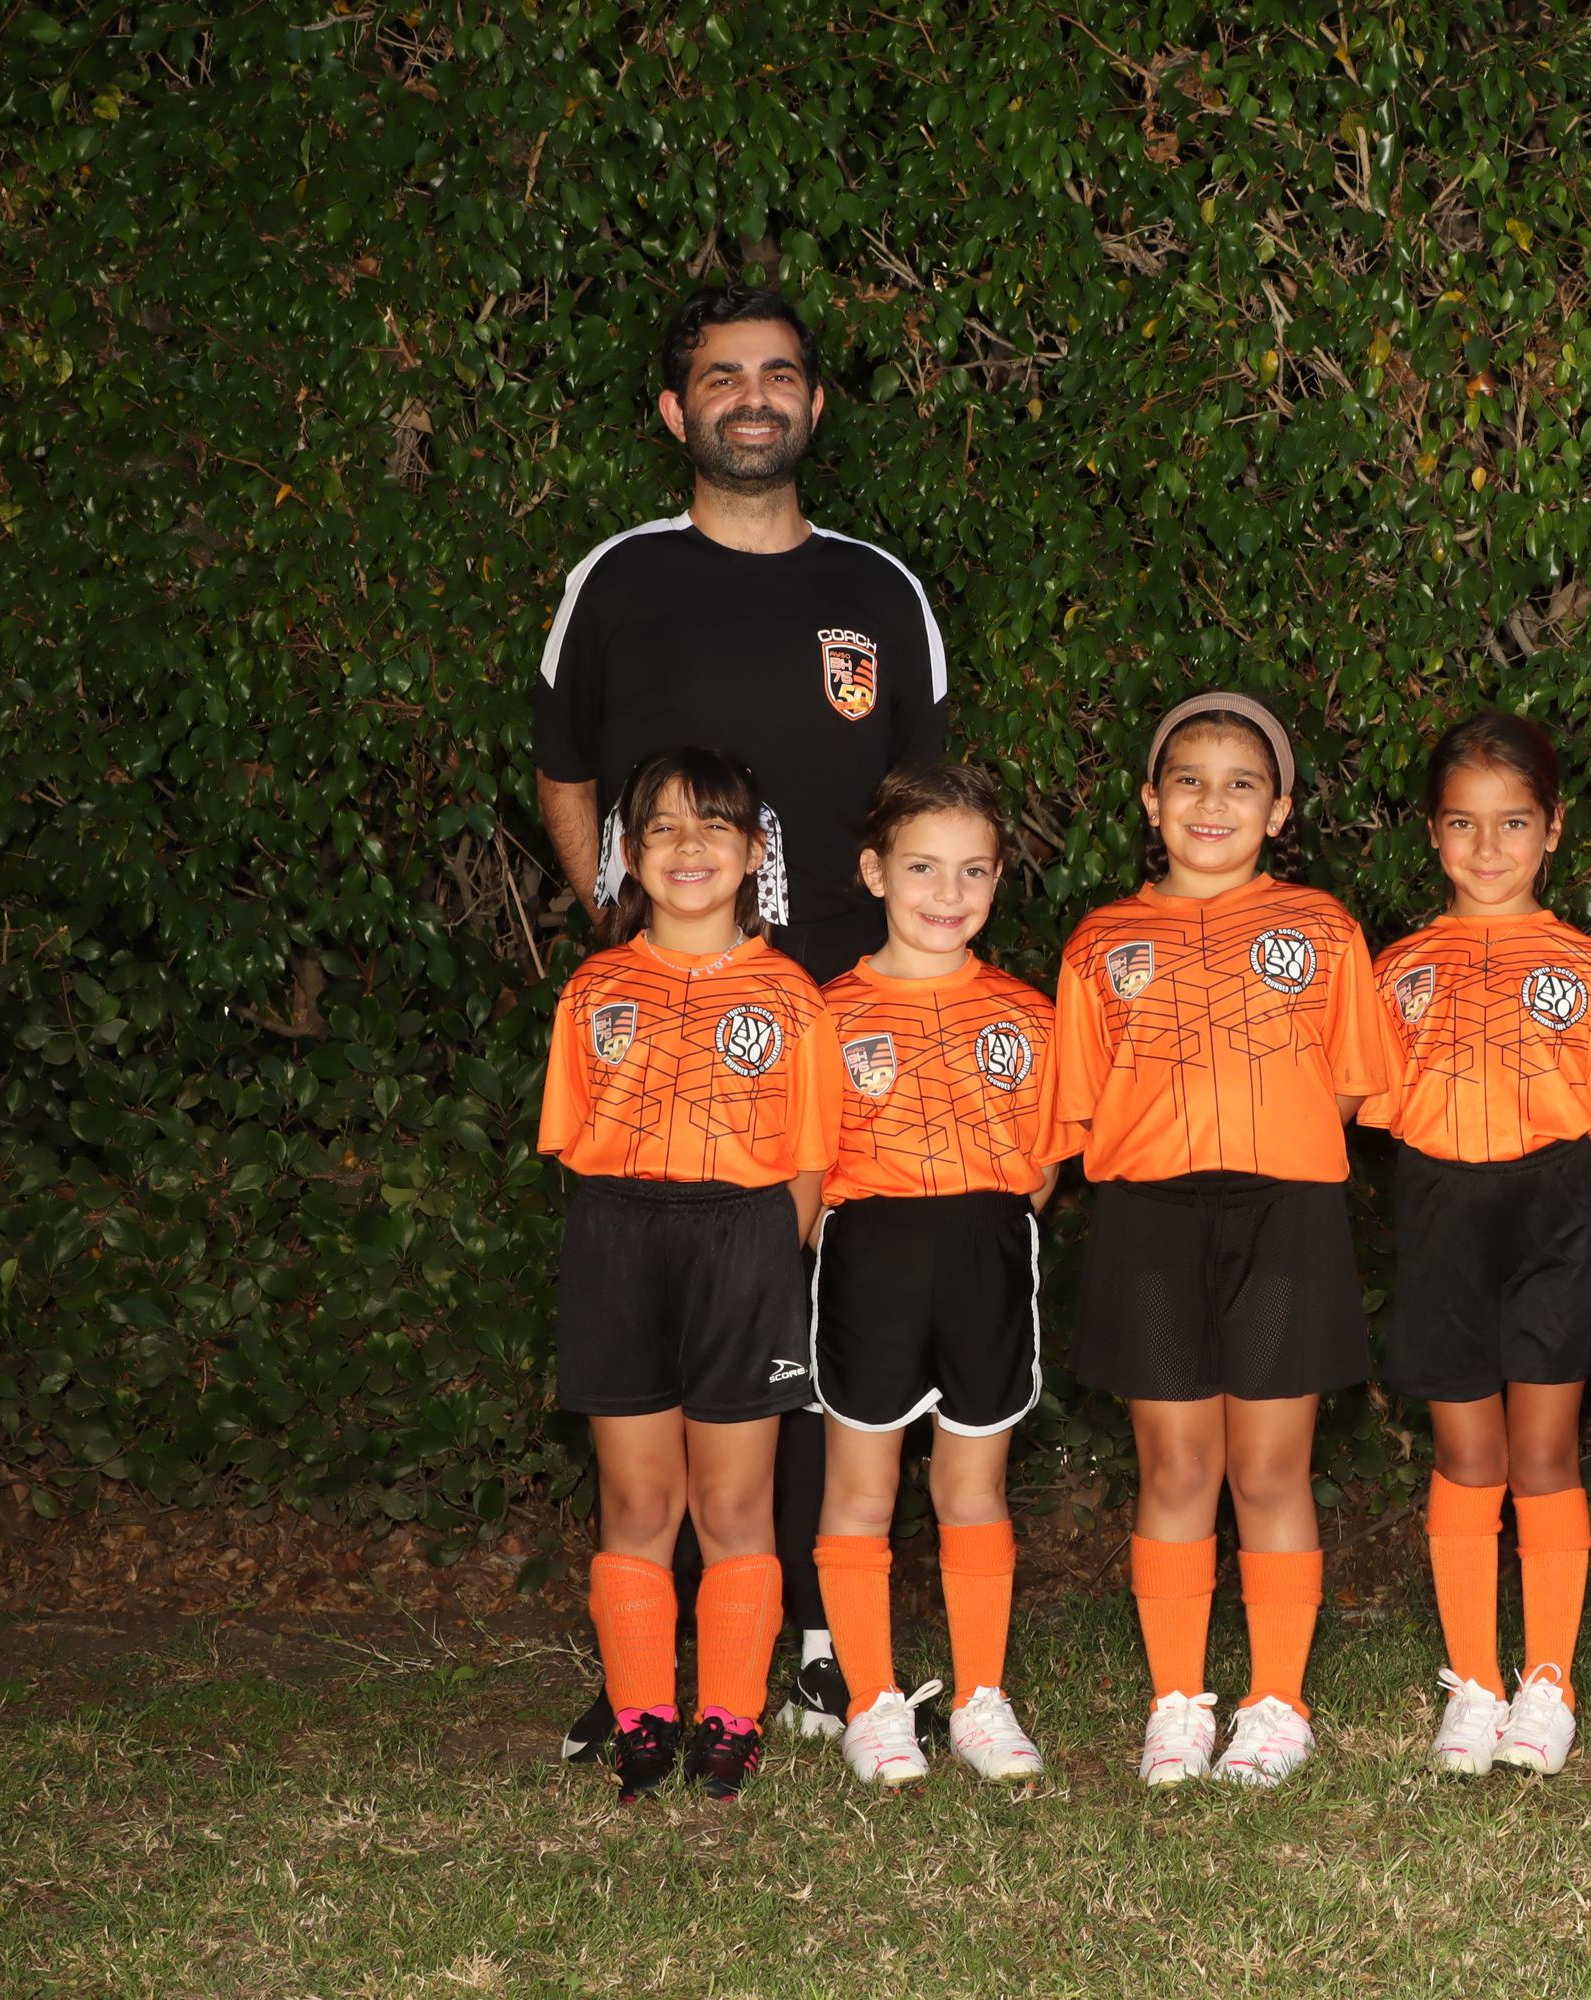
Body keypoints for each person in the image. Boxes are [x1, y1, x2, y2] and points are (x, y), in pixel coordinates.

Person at [534, 285, 950, 1756]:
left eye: (779, 374)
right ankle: (652, 1673)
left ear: (815, 405)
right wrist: (621, 927)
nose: (753, 397)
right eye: (721, 377)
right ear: (677, 411)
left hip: (844, 1000)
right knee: (673, 1325)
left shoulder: (881, 592)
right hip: (681, 1005)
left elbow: (920, 802)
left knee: (827, 1324)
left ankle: (823, 1642)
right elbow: (565, 768)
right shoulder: (621, 579)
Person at [1052, 693, 1394, 1789]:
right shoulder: (1101, 941)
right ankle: (1176, 1700)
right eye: (1189, 780)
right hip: (1149, 1215)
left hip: (1284, 1213)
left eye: (1242, 782)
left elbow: (1349, 1084)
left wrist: (1265, 1141)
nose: (1214, 800)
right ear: (1150, 802)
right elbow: (1080, 1099)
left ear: (1279, 809)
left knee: (1270, 1464)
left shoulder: (1322, 929)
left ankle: (1278, 1701)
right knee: (1176, 1462)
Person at [535, 747, 843, 1802]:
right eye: (661, 826)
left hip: (746, 1240)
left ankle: (730, 1716)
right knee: (637, 1495)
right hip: (620, 1238)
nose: (688, 844)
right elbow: (576, 1141)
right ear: (627, 853)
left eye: (714, 824)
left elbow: (810, 1163)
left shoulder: (791, 995)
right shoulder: (594, 989)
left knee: (734, 1499)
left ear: (756, 853)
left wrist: (760, 1261)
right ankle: (641, 1716)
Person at [1361, 714, 1591, 1780]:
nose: (1487, 846)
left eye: (1513, 821)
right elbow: (1376, 1109)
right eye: (1463, 823)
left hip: (1553, 1206)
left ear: (1553, 829)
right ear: (1433, 834)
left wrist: (1559, 1205)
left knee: (1545, 1452)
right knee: (1468, 1453)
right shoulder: (1397, 970)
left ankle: (1547, 1680)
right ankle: (1474, 1681)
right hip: (1441, 1208)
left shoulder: (1590, 969)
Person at [809, 763, 1077, 1788]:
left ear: (1000, 877)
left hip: (985, 1255)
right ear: (875, 871)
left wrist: (985, 1225)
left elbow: (1044, 1167)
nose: (948, 891)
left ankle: (980, 1699)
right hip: (870, 1256)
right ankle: (871, 1702)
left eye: (973, 869)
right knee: (862, 1487)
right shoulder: (825, 1014)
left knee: (972, 1486)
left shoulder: (1027, 1013)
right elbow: (803, 1167)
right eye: (922, 866)